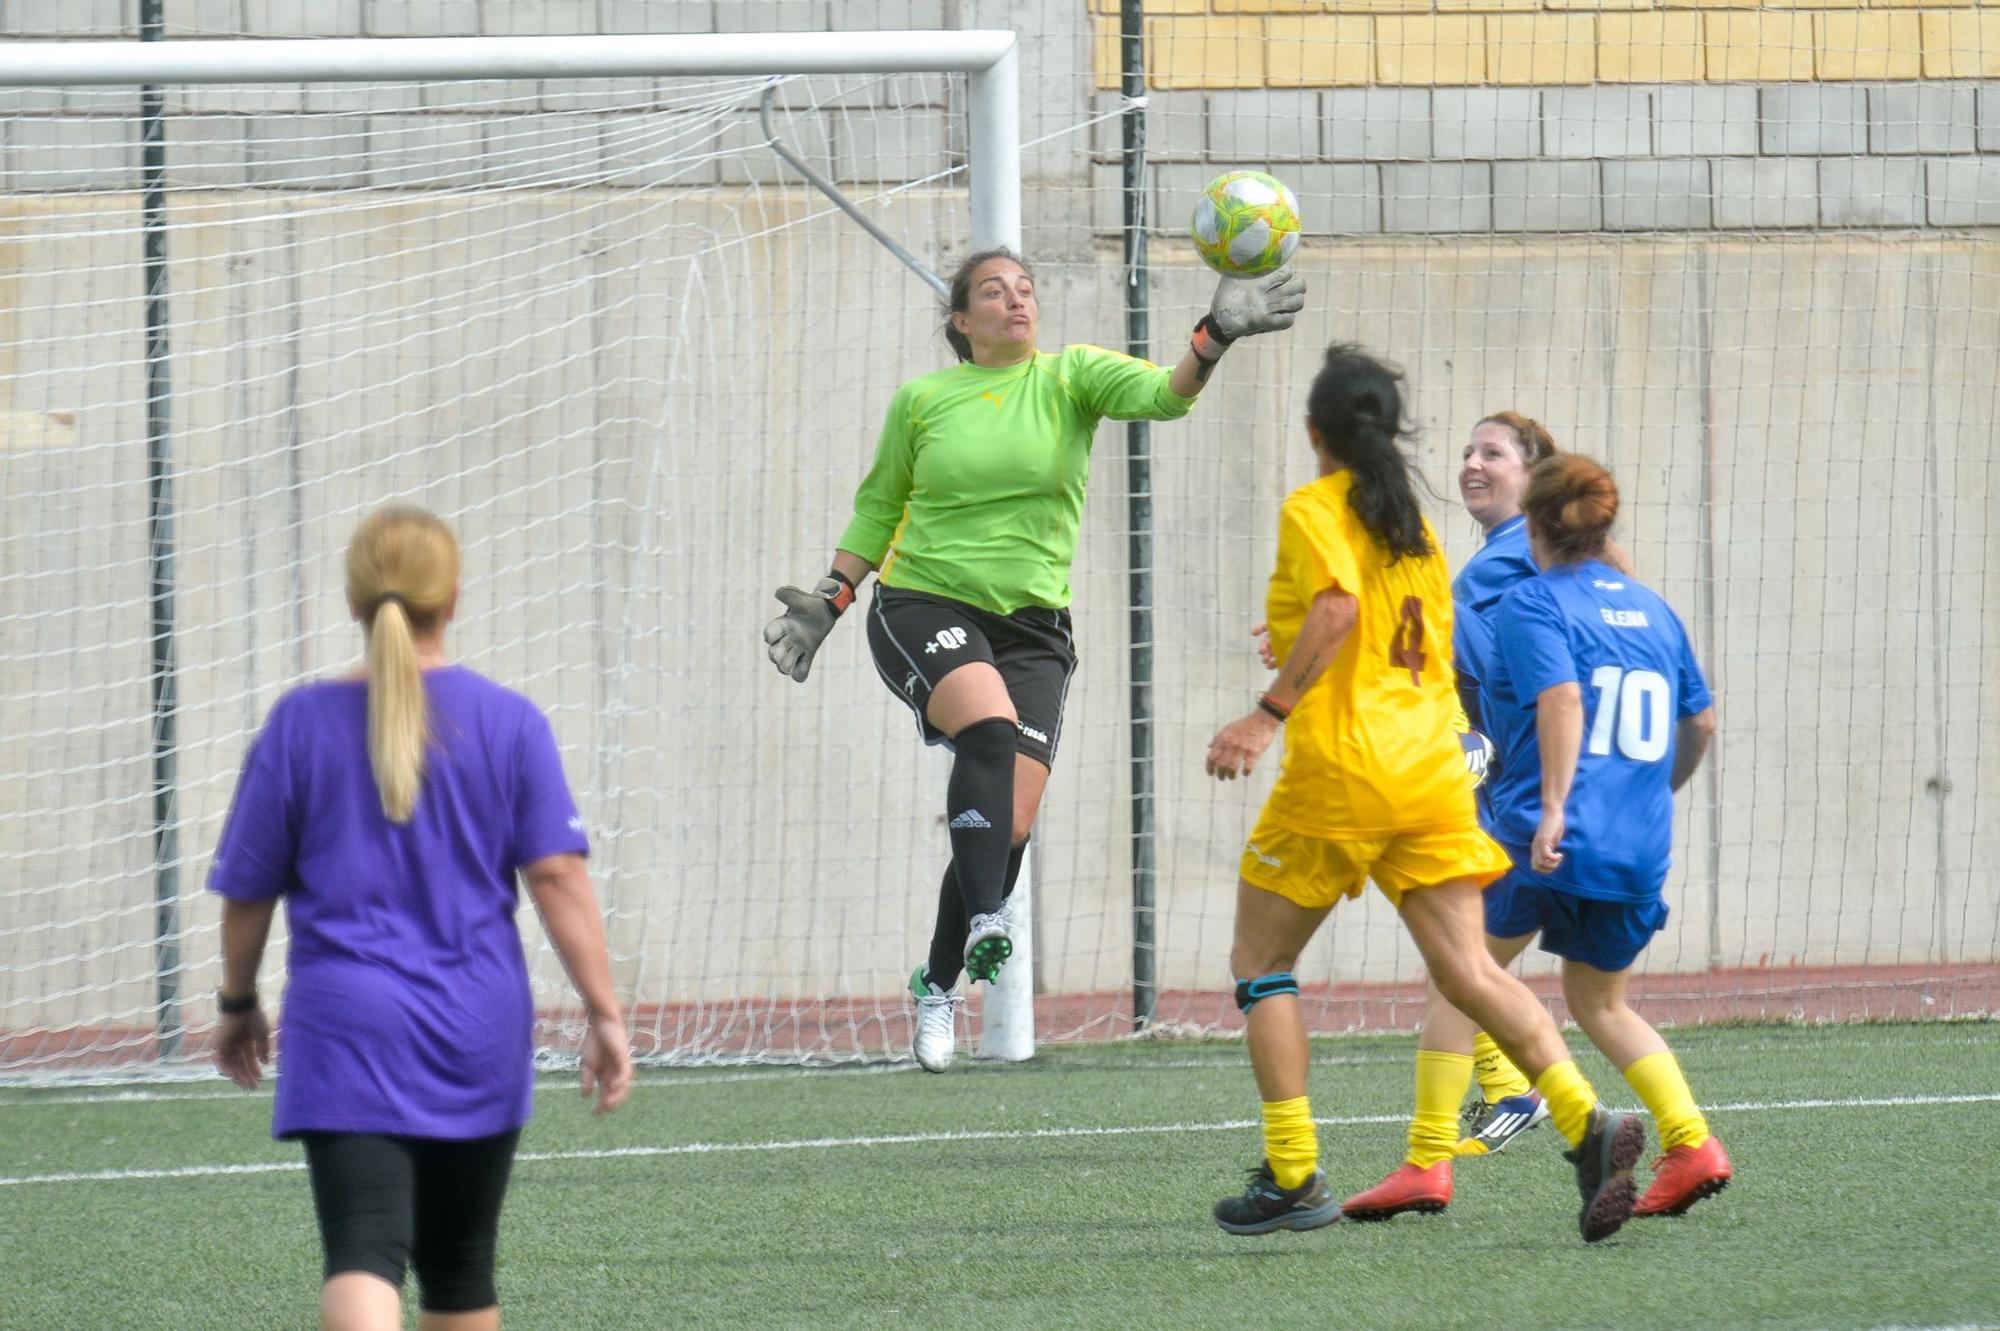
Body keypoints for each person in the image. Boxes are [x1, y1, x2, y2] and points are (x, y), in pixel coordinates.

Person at [761, 247, 1303, 1073]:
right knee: (987, 723)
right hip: (923, 602)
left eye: (1024, 289)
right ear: (959, 318)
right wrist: (831, 598)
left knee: (1008, 820)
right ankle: (990, 920)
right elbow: (879, 505)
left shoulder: (1071, 377)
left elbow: (1165, 395)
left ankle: (937, 984)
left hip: (1034, 628)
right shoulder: (924, 400)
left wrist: (1216, 334)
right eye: (993, 291)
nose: (1015, 301)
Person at [1204, 346, 1644, 1244]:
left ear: (1316, 431)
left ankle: (1293, 1174)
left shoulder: (1315, 503)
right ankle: (1582, 1121)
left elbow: (1336, 609)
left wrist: (1264, 713)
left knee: (1261, 966)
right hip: (1433, 772)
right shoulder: (1415, 527)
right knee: (1471, 969)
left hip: (1344, 771)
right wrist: (1295, 638)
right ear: (1393, 431)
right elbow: (1400, 637)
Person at [208, 505, 633, 1331]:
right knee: (461, 1268)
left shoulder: (298, 724)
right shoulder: (510, 720)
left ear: (350, 599)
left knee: (364, 1249)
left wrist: (236, 1002)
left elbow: (248, 890)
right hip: (477, 1019)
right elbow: (555, 874)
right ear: (456, 598)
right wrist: (604, 1011)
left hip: (347, 1024)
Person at [1350, 453, 1730, 1225]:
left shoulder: (1533, 601)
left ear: (1534, 523)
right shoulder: (1656, 609)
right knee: (1600, 1000)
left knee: (1463, 974)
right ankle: (1691, 1143)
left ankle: (1428, 1160)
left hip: (1542, 832)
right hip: (1636, 842)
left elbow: (1559, 700)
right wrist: (1655, 795)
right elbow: (1702, 722)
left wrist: (1555, 806)